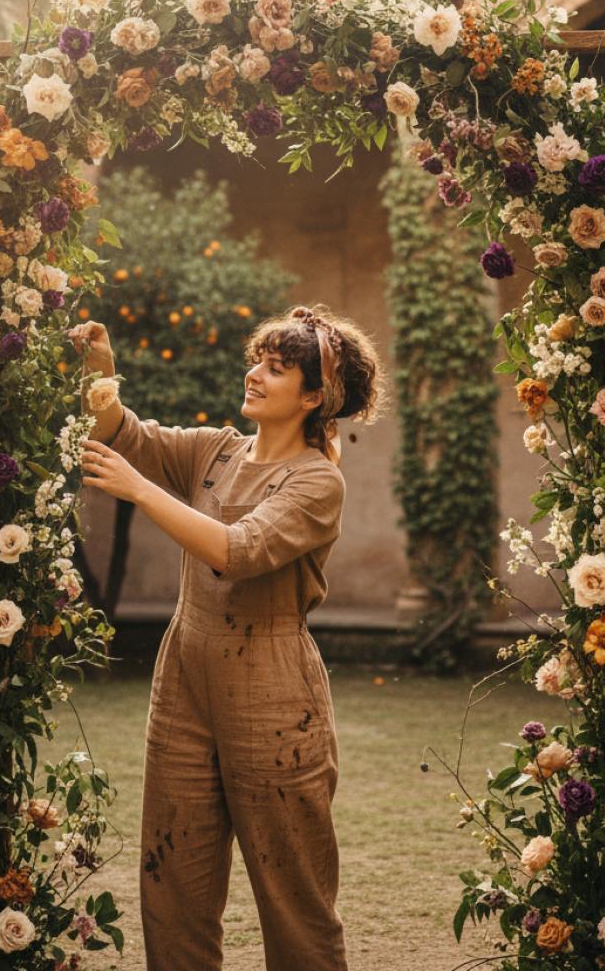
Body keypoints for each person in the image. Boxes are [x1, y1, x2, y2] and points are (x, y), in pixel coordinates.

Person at [68, 304, 384, 971]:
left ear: (314, 397)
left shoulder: (318, 482)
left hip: (273, 693)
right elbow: (124, 434)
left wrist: (140, 494)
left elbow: (239, 551)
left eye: (276, 369)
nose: (254, 375)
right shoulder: (215, 452)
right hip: (184, 678)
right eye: (257, 362)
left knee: (293, 897)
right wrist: (102, 374)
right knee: (171, 883)